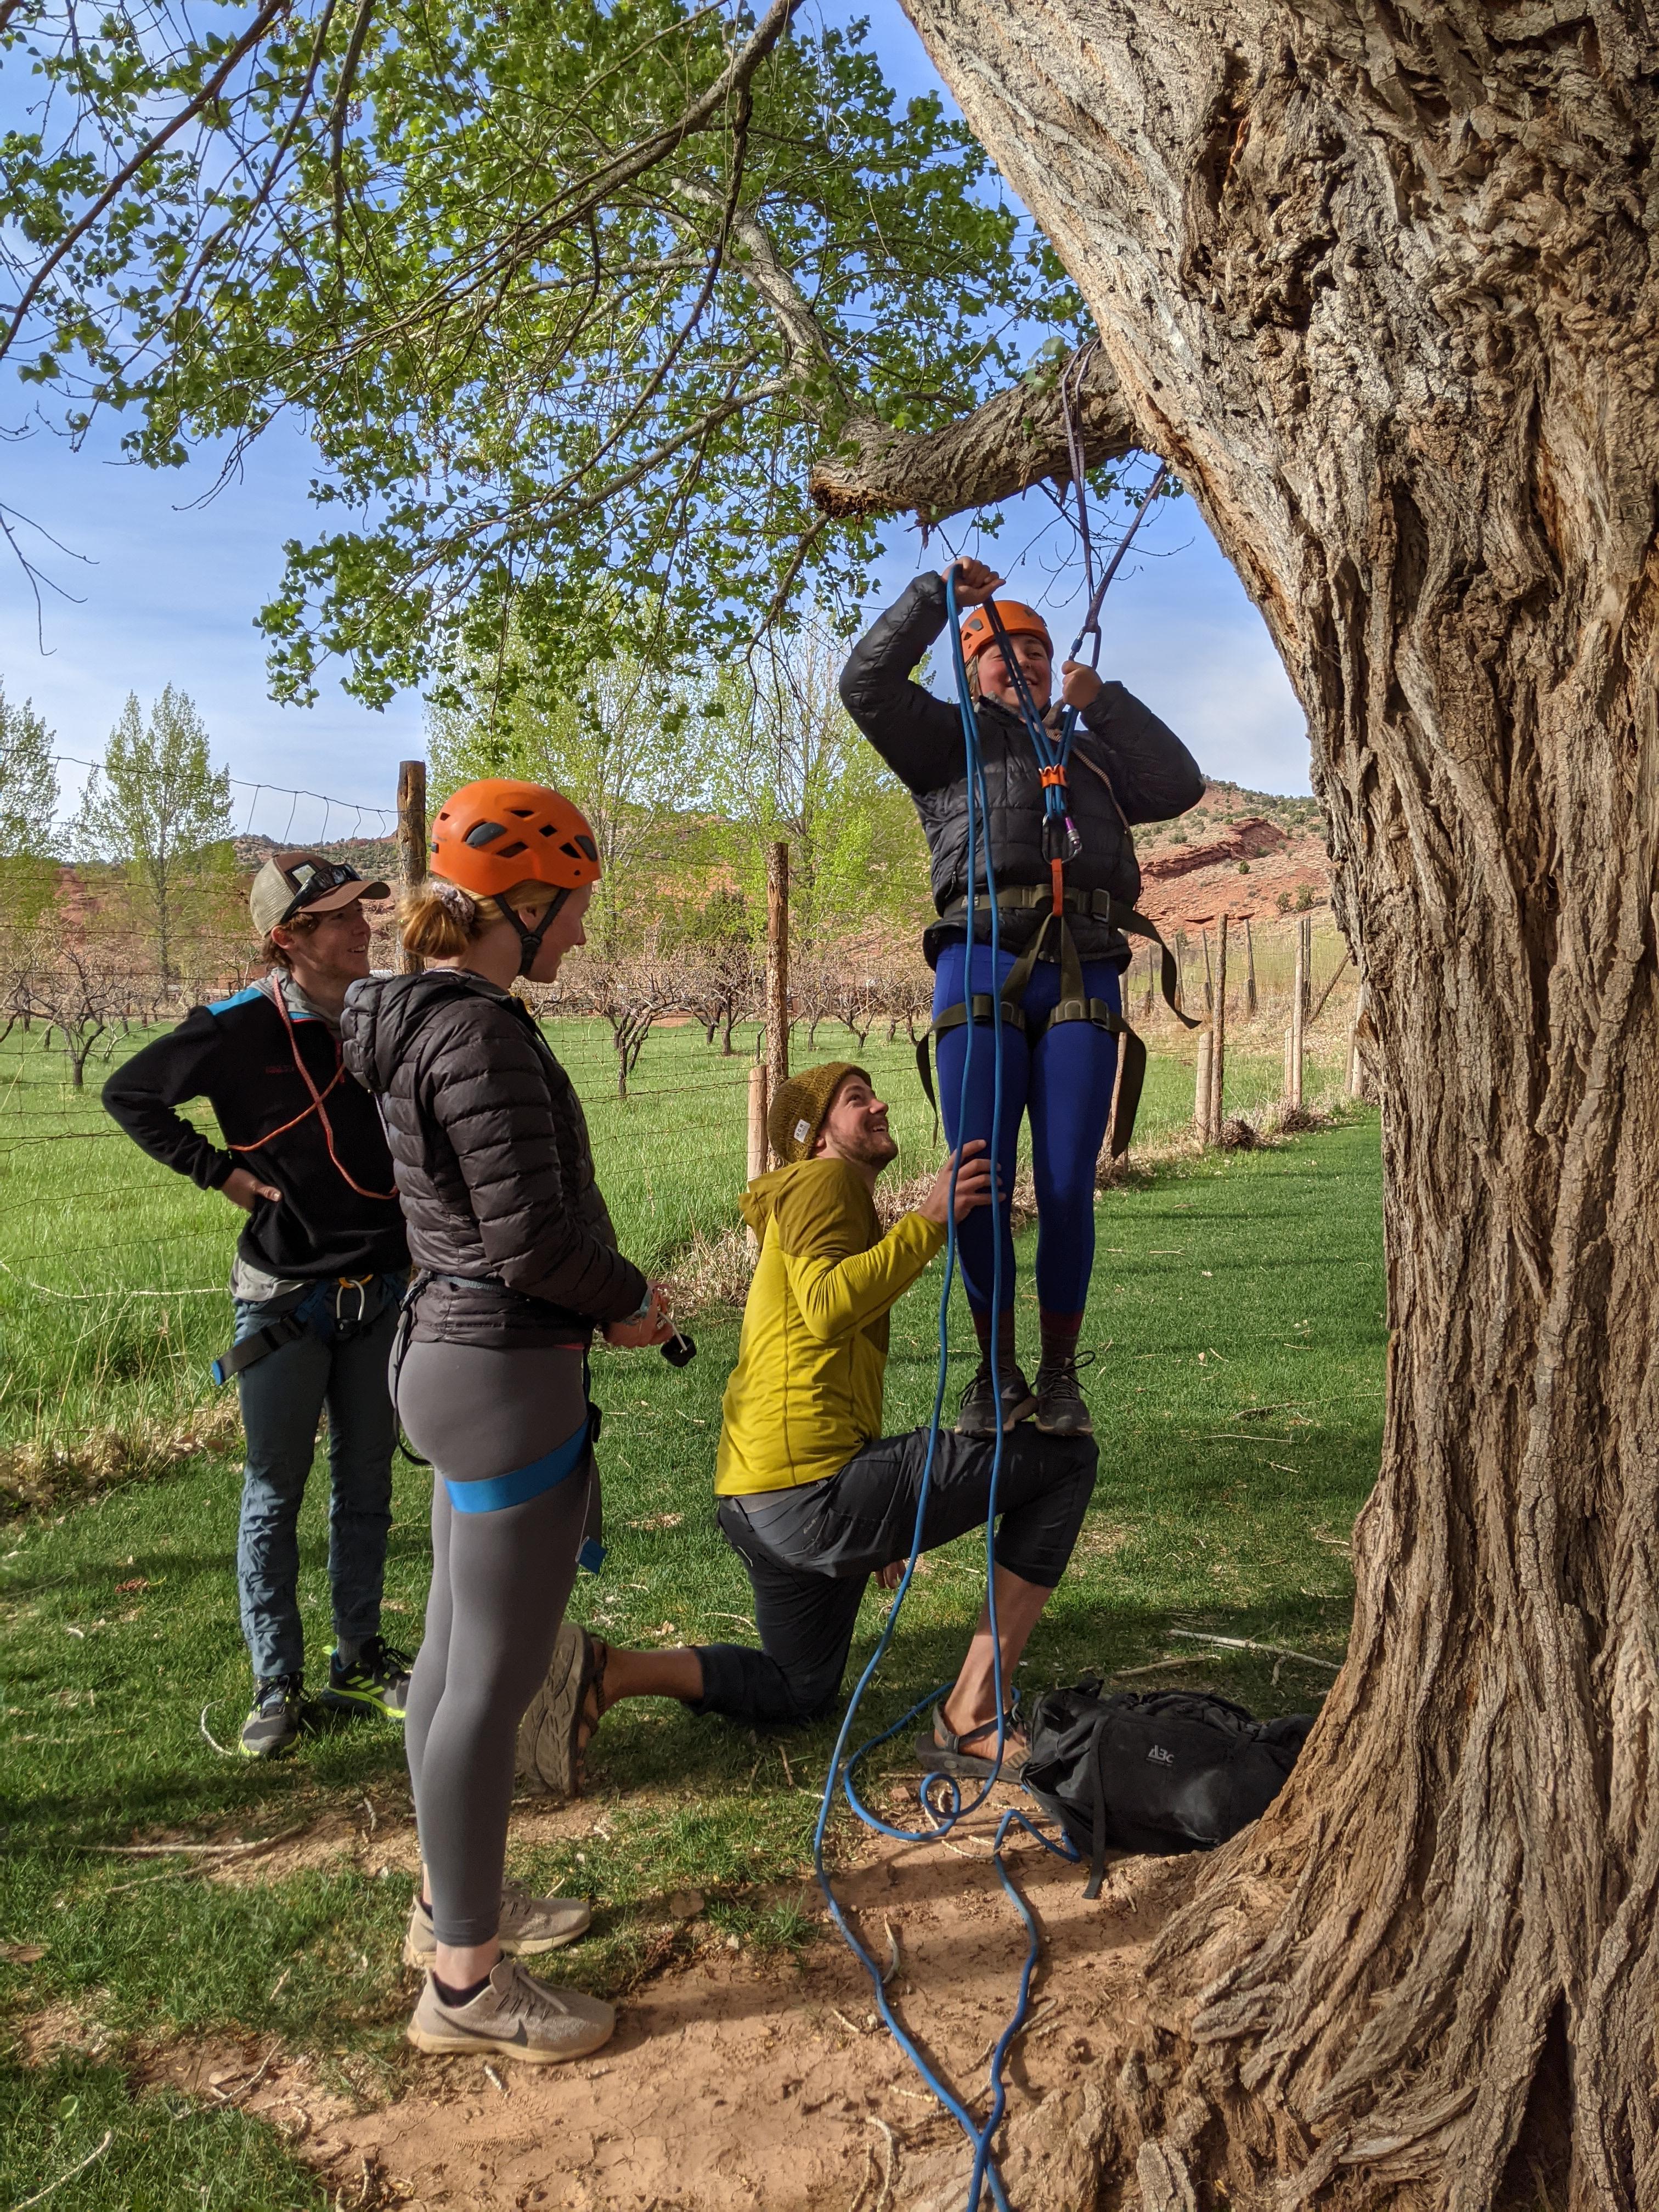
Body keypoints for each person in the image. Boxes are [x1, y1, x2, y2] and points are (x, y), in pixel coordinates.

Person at [340, 777, 675, 2068]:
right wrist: (635, 1300)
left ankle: (450, 1904)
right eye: (575, 910)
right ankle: (469, 1989)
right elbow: (534, 1242)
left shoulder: (419, 1021)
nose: (584, 937)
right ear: (520, 908)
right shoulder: (478, 1035)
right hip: (503, 1368)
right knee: (489, 1681)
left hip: (452, 1361)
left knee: (447, 1659)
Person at [531, 1062, 1098, 1781]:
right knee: (1065, 1462)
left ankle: (610, 1672)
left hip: (759, 1496)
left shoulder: (818, 1200)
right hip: (809, 1494)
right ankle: (973, 1712)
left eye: (871, 1093)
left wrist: (877, 1520)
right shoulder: (824, 1184)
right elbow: (829, 1307)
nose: (879, 1104)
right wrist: (927, 1222)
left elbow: (820, 1335)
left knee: (801, 1689)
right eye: (855, 1100)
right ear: (816, 1138)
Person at [839, 558, 1204, 1437]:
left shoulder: (1095, 752)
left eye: (1036, 651)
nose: (1024, 661)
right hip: (979, 960)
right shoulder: (944, 741)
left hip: (1085, 962)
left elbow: (1180, 784)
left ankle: (1062, 1375)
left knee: (1070, 1182)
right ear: (971, 669)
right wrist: (936, 599)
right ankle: (994, 1374)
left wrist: (1103, 699)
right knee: (978, 1181)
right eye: (1003, 650)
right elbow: (865, 683)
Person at [103, 854, 411, 1759]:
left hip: (383, 1289)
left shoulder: (379, 1011)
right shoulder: (234, 1029)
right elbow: (130, 1093)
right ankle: (276, 1683)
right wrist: (221, 1172)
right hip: (287, 1299)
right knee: (276, 1491)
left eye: (366, 913)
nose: (365, 930)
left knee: (367, 1485)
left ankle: (358, 1658)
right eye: (342, 919)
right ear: (289, 938)